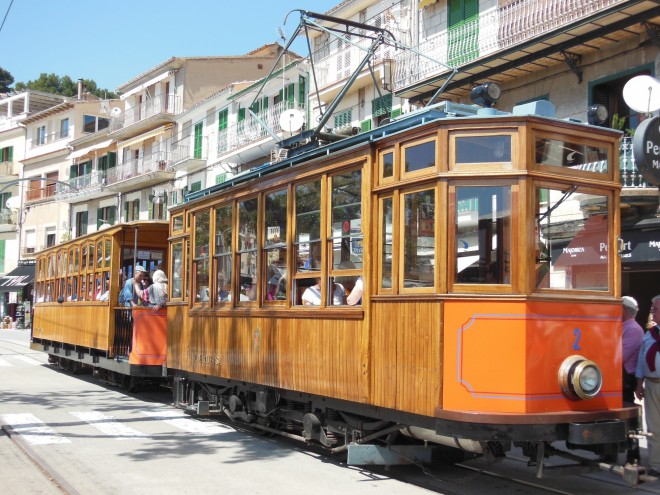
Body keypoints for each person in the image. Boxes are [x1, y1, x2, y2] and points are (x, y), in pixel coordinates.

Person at [635, 295, 660, 476]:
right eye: (652, 310)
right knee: (653, 428)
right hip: (652, 385)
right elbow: (641, 361)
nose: (652, 313)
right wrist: (639, 384)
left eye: (655, 310)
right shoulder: (649, 334)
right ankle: (656, 465)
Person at [621, 296, 643, 464]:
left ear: (625, 310)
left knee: (628, 416)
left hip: (625, 377)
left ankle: (633, 454)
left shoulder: (633, 329)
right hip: (620, 376)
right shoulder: (623, 326)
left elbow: (620, 356)